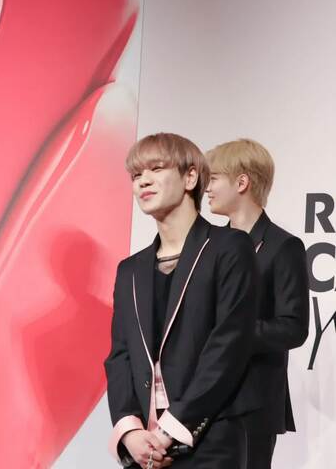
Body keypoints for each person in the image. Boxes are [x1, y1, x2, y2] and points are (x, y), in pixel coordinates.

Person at [104, 133, 259, 468]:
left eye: (156, 168)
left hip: (209, 436)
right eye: (136, 174)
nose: (143, 181)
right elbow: (120, 356)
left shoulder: (229, 248)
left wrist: (171, 430)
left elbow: (229, 345)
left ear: (190, 177)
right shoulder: (130, 270)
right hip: (145, 447)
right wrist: (130, 432)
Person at [205, 138, 309, 468]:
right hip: (202, 400)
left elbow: (293, 327)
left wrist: (231, 334)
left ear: (241, 182)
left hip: (252, 403)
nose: (206, 188)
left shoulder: (283, 246)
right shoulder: (208, 246)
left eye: (213, 178)